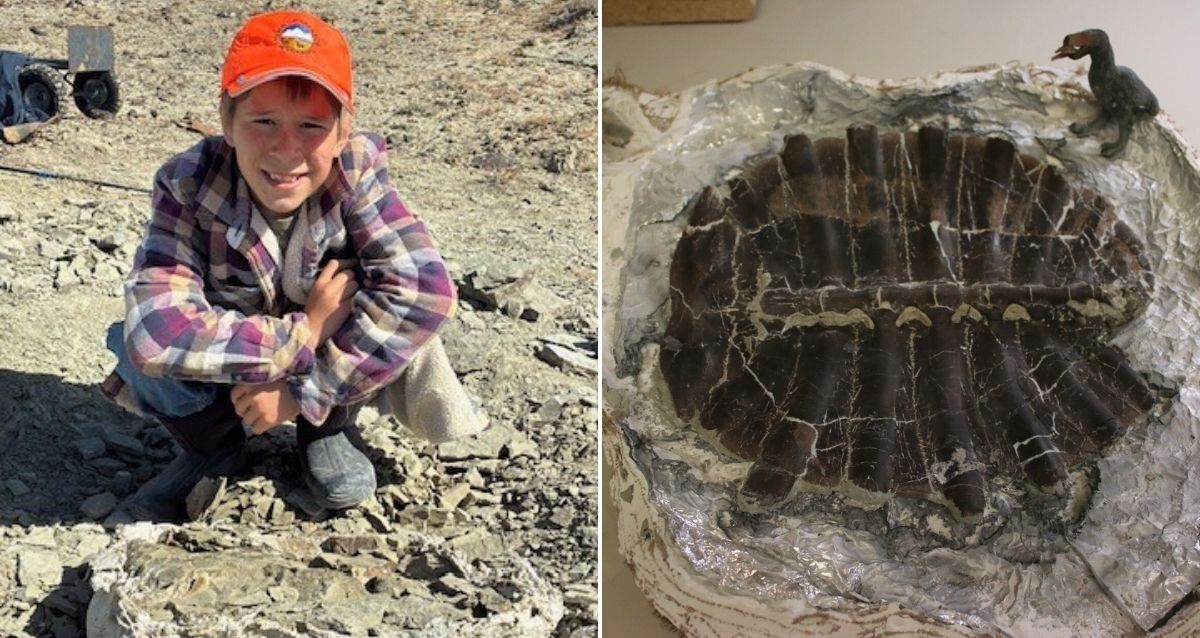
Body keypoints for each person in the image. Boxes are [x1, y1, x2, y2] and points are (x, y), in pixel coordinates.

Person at [99, 10, 486, 522]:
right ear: (227, 123)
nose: (287, 150)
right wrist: (306, 332)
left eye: (311, 126)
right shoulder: (186, 183)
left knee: (378, 308)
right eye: (263, 121)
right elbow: (158, 331)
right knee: (132, 345)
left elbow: (423, 292)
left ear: (344, 130)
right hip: (251, 359)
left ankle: (322, 429)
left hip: (309, 372)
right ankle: (215, 449)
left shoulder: (357, 173)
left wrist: (303, 393)